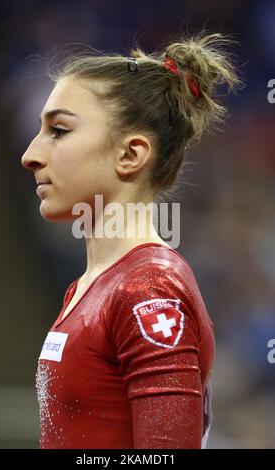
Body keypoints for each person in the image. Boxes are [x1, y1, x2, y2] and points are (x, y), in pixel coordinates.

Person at [21, 32, 240, 449]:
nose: (30, 155)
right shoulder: (89, 288)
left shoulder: (146, 289)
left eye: (59, 130)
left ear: (130, 154)